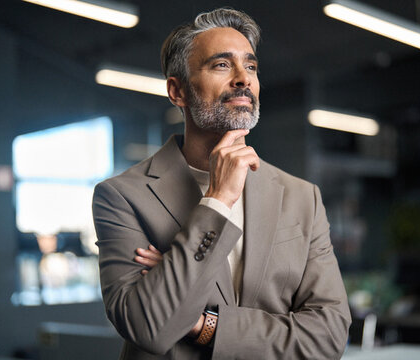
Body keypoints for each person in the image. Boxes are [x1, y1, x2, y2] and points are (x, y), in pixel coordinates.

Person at [92, 8, 350, 359]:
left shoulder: (303, 197)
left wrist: (202, 323)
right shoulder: (121, 196)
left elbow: (330, 335)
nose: (243, 78)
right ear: (177, 91)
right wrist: (217, 199)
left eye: (252, 66)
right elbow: (149, 327)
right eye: (222, 65)